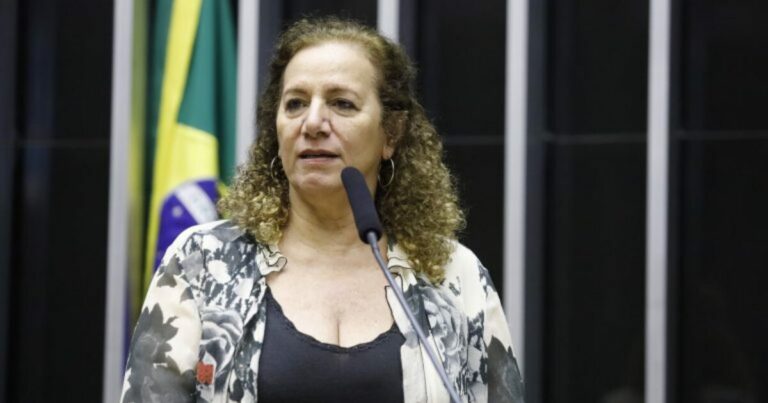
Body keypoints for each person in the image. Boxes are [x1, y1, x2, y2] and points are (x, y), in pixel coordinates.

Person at [121, 16, 524, 403]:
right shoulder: (203, 263)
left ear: (391, 133)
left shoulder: (455, 275)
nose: (312, 122)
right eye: (295, 103)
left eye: (342, 104)